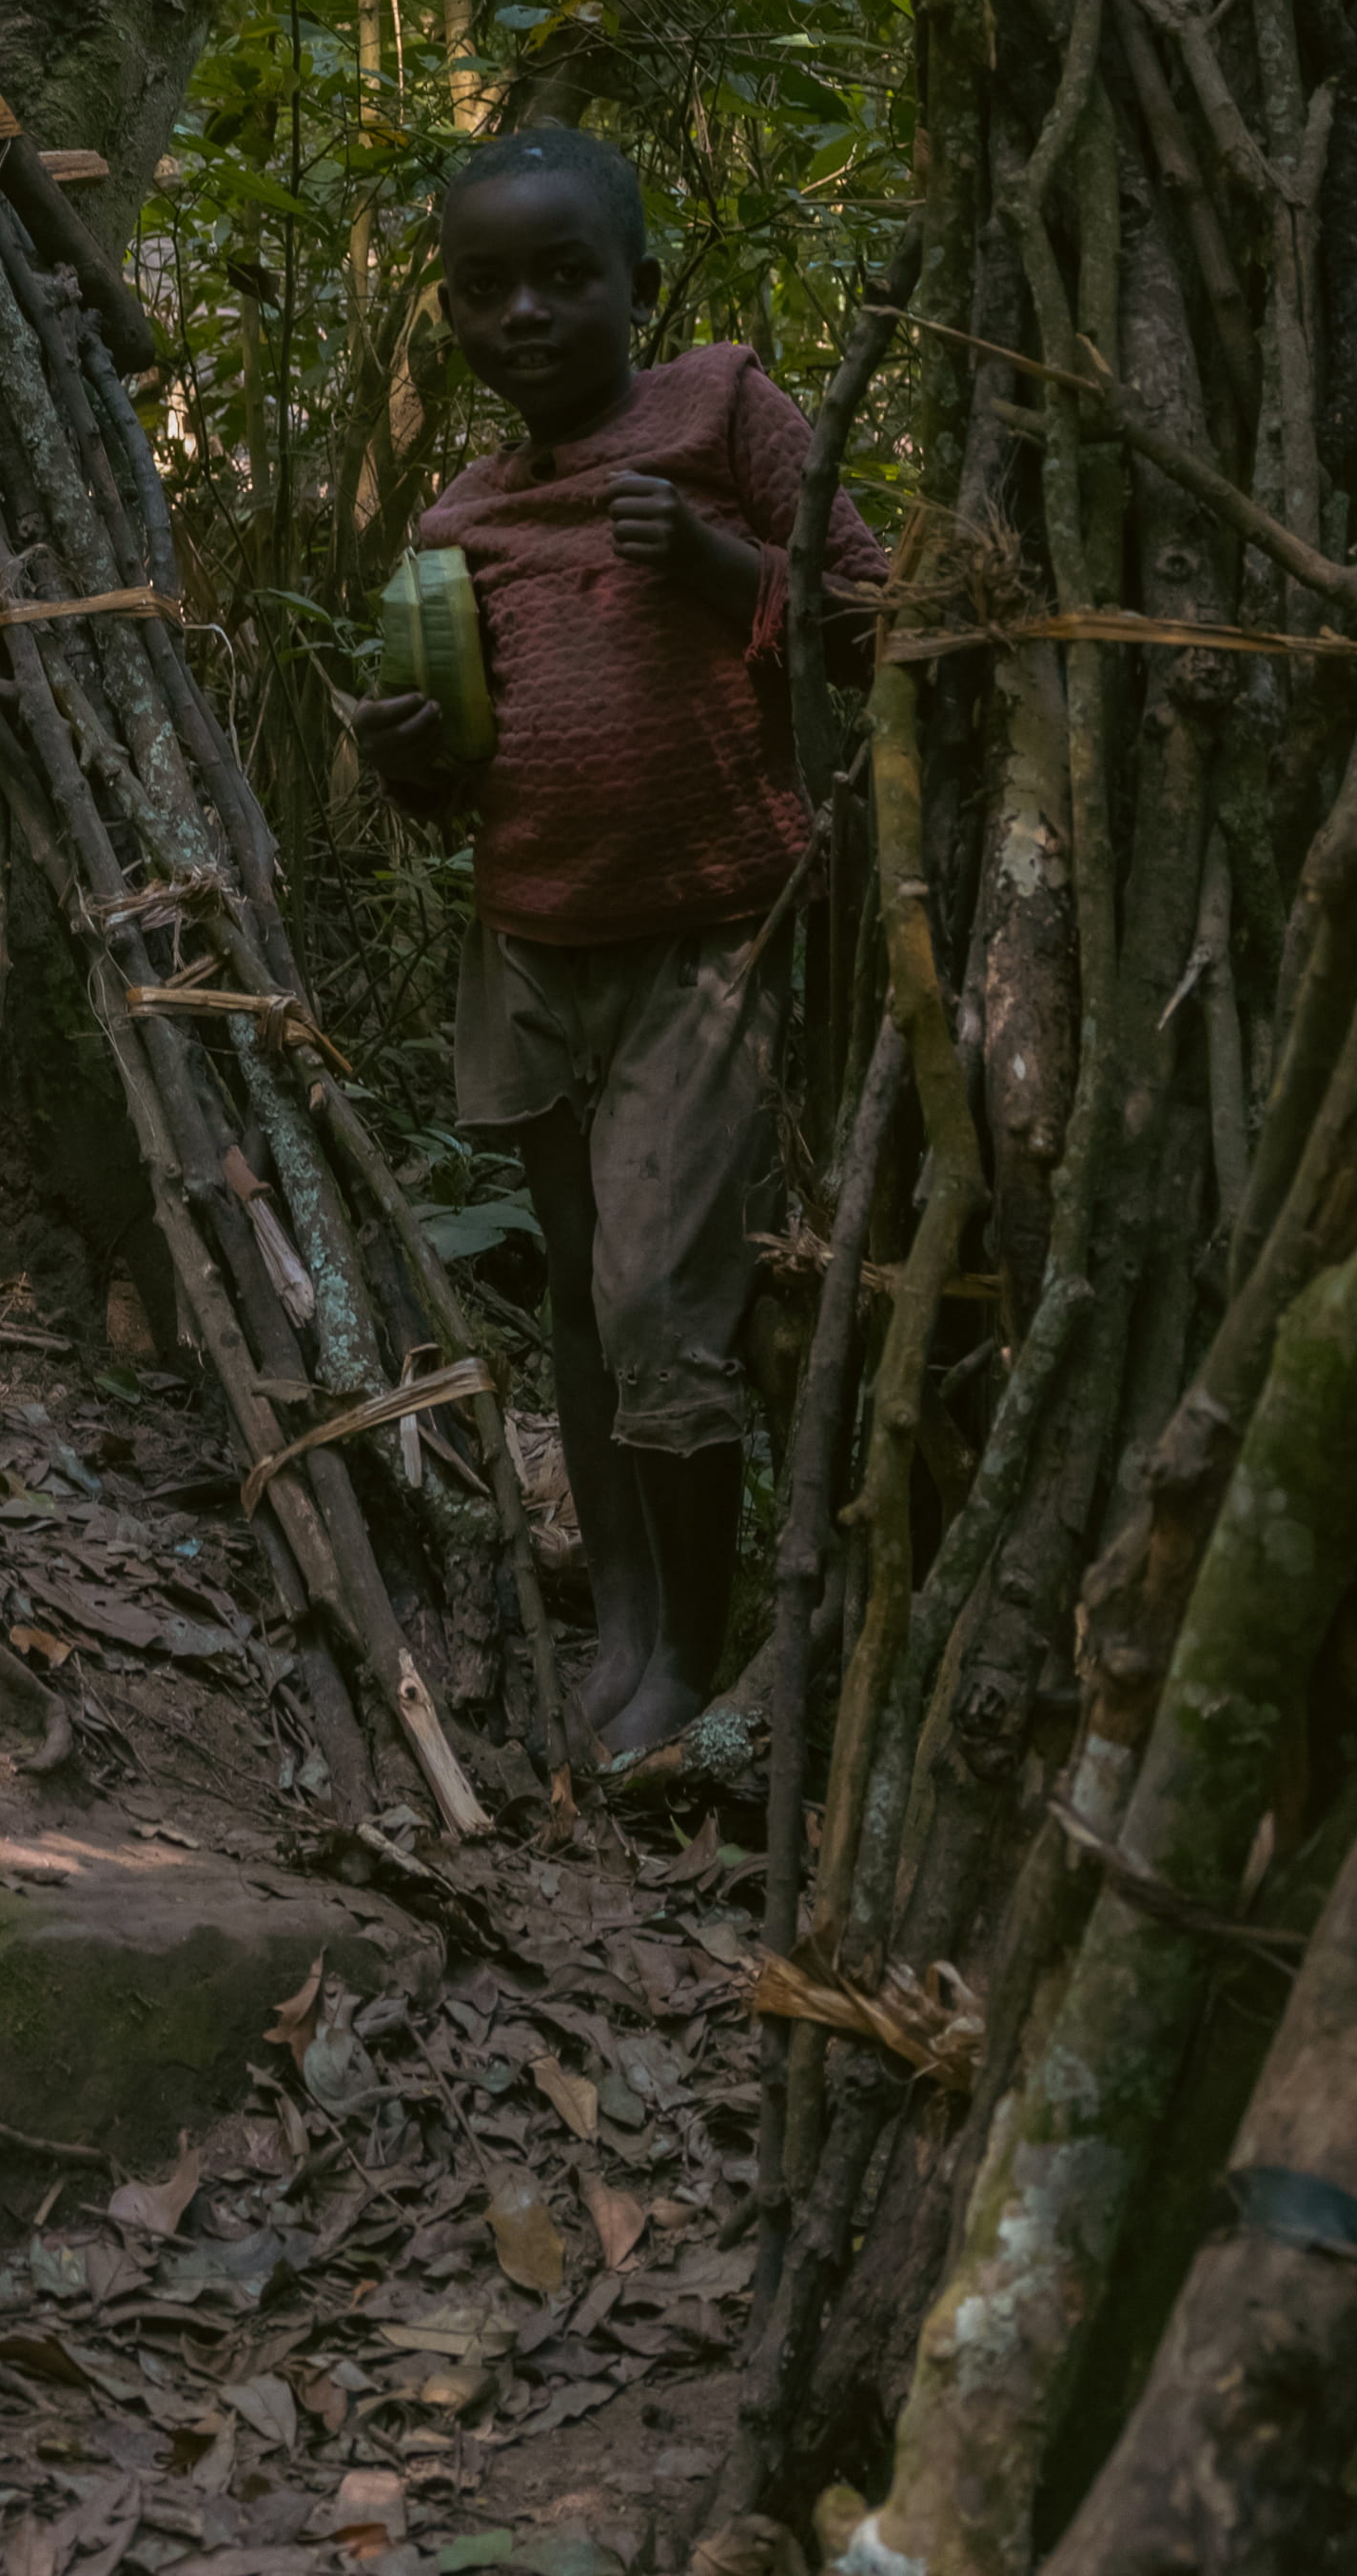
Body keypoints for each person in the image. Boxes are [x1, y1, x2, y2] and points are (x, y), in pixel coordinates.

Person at [342, 124, 880, 1783]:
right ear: (447, 310)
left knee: (660, 1300)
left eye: (563, 276)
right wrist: (406, 750)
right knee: (578, 1296)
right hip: (532, 939)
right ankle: (626, 1630)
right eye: (484, 286)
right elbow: (462, 774)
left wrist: (721, 564)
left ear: (638, 284)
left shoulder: (722, 408)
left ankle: (697, 1654)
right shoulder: (460, 512)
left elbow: (879, 612)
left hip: (702, 933)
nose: (523, 314)